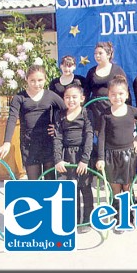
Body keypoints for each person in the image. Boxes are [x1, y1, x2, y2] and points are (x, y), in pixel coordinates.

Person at [0, 65, 66, 180]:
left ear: (45, 79)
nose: (36, 84)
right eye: (32, 80)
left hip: (48, 142)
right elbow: (12, 118)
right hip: (29, 144)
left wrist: (58, 127)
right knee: (34, 182)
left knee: (50, 180)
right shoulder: (19, 98)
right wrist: (7, 142)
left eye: (40, 80)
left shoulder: (51, 95)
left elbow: (67, 112)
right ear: (26, 80)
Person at [95, 75, 137, 234]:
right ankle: (119, 217)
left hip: (128, 154)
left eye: (120, 94)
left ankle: (129, 215)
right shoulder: (105, 114)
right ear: (108, 95)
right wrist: (101, 158)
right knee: (115, 187)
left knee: (127, 186)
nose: (117, 97)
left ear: (127, 95)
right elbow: (101, 136)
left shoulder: (132, 111)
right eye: (113, 94)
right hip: (111, 155)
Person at [53, 84, 94, 232]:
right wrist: (58, 159)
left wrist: (85, 159)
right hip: (67, 156)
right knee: (72, 188)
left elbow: (89, 135)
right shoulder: (60, 115)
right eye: (67, 97)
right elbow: (57, 137)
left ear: (82, 98)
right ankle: (75, 219)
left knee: (85, 187)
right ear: (63, 99)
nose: (71, 100)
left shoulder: (86, 113)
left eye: (74, 97)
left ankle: (87, 219)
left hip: (83, 154)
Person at [84, 42, 129, 134]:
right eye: (95, 54)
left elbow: (125, 90)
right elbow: (86, 92)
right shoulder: (91, 71)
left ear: (108, 55)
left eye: (100, 53)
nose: (97, 56)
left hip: (112, 105)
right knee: (98, 132)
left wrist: (127, 110)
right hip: (95, 108)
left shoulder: (117, 70)